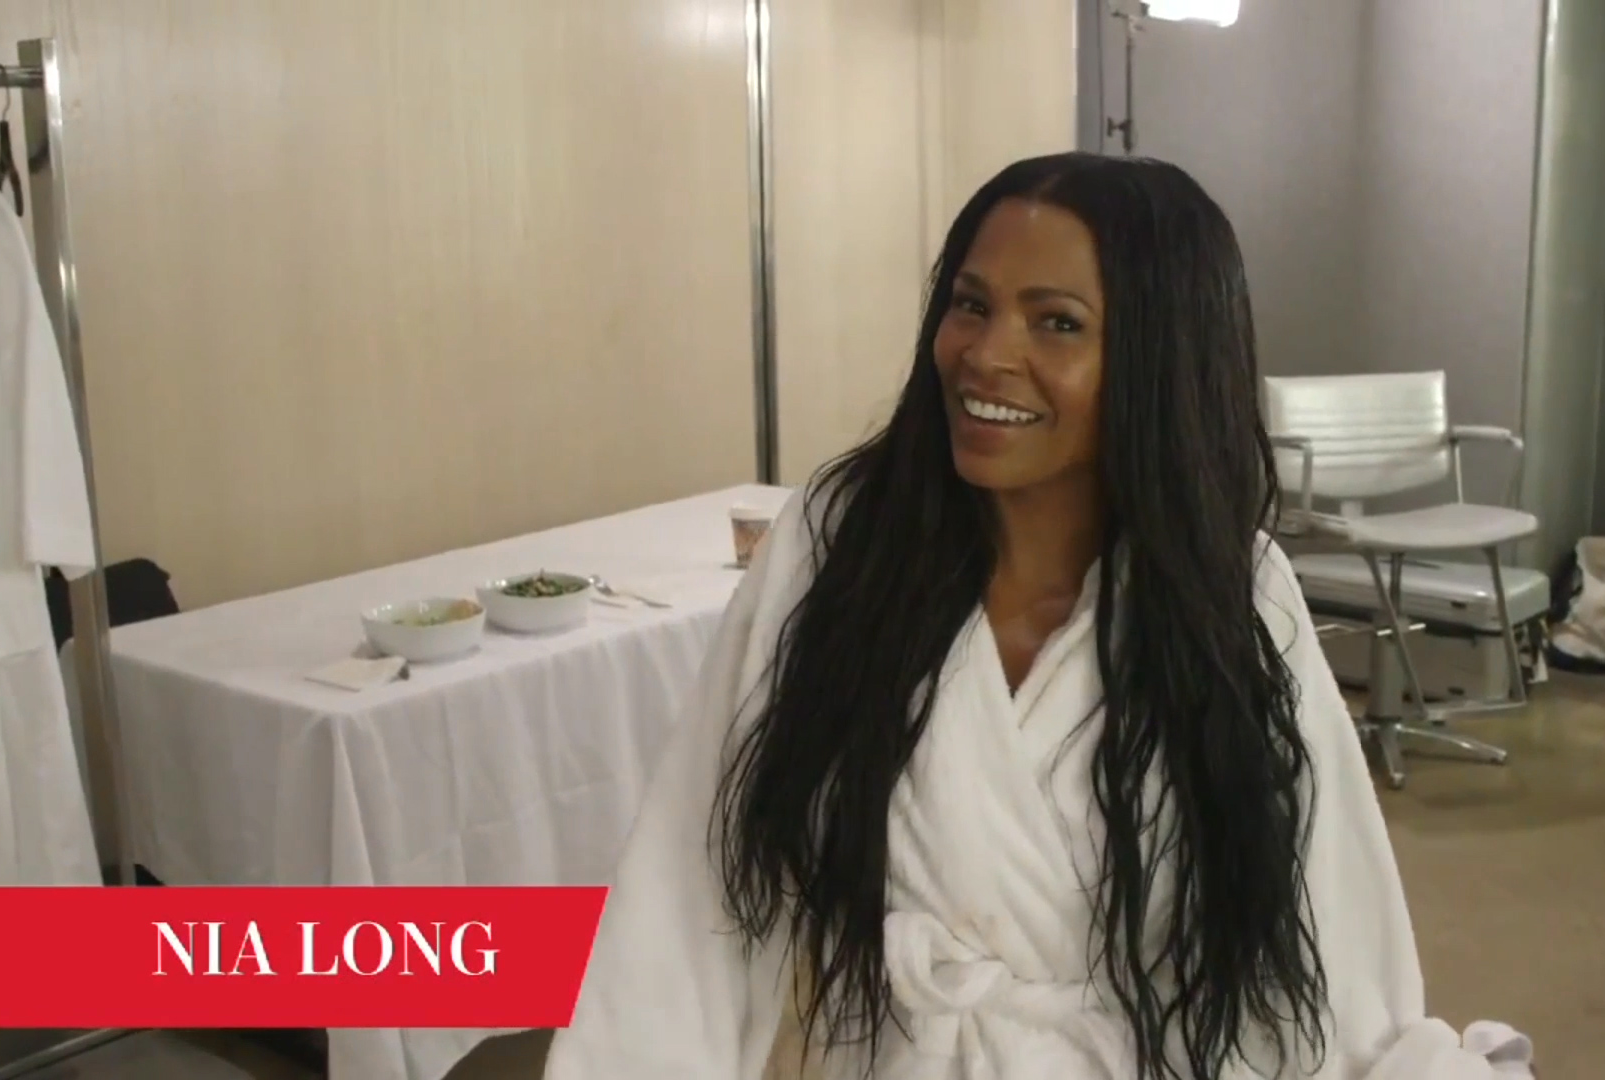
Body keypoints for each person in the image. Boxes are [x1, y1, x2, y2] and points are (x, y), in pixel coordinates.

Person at [542, 153, 1535, 1079]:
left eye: (1056, 322)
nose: (985, 355)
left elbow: (1331, 924)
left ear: (1160, 357)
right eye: (970, 304)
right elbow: (695, 891)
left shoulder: (1232, 593)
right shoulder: (841, 543)